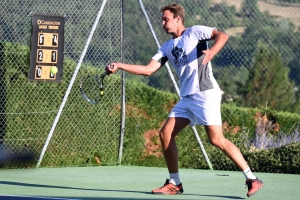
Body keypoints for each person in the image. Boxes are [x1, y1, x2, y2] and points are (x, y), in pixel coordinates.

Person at [106, 3, 264, 198]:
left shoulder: (195, 32)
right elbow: (148, 70)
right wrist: (120, 65)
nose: (163, 23)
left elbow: (222, 35)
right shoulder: (166, 47)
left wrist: (212, 51)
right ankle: (175, 183)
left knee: (216, 139)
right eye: (162, 20)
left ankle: (252, 179)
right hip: (187, 98)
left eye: (166, 19)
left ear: (178, 19)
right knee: (165, 134)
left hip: (205, 93)